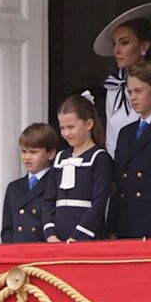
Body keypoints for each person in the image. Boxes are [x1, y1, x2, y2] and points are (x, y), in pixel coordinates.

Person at [93, 1, 151, 158]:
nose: (116, 50)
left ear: (144, 46)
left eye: (124, 42)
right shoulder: (114, 88)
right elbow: (112, 141)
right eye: (114, 44)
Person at [106, 61, 151, 239]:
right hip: (125, 221)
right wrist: (111, 227)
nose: (132, 98)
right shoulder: (125, 133)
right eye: (129, 92)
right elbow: (118, 183)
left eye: (139, 91)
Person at [43, 91, 113, 242]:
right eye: (62, 128)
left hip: (87, 238)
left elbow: (99, 203)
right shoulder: (60, 157)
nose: (66, 133)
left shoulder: (99, 158)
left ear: (89, 124)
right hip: (57, 240)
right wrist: (50, 234)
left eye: (71, 127)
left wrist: (78, 236)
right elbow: (49, 199)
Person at [1, 123, 58, 243]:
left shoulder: (56, 183)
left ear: (50, 153)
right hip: (18, 253)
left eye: (33, 152)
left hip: (43, 251)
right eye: (24, 151)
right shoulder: (14, 188)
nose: (27, 157)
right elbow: (7, 229)